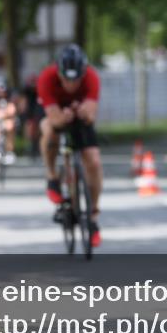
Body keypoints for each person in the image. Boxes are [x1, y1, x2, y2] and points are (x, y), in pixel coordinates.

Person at [37, 44, 104, 247]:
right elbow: (54, 118)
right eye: (67, 79)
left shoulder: (92, 77)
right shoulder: (46, 78)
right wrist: (63, 116)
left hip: (81, 119)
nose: (72, 85)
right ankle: (52, 177)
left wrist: (82, 112)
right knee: (49, 131)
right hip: (56, 116)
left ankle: (92, 216)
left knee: (93, 160)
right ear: (59, 72)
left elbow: (91, 114)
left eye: (77, 80)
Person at [18, 72, 44, 158]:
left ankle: (38, 147)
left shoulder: (40, 89)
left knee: (39, 128)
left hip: (38, 108)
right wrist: (22, 110)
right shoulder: (26, 90)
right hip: (29, 110)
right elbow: (23, 101)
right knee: (30, 128)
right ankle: (32, 147)